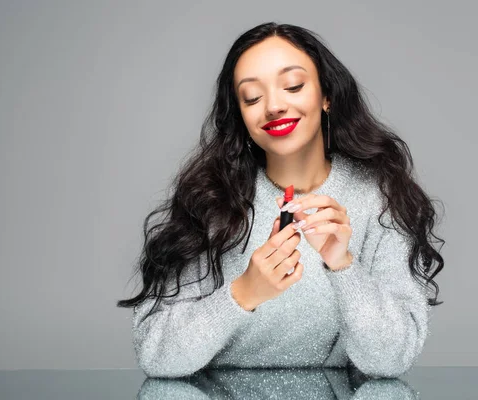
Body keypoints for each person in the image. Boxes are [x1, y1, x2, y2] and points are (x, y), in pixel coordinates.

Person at [116, 22, 445, 379]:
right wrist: (245, 292)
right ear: (240, 115)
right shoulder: (210, 200)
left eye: (293, 86)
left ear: (326, 95)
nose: (273, 106)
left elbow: (390, 360)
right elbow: (157, 356)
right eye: (252, 98)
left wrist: (343, 265)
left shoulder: (378, 197)